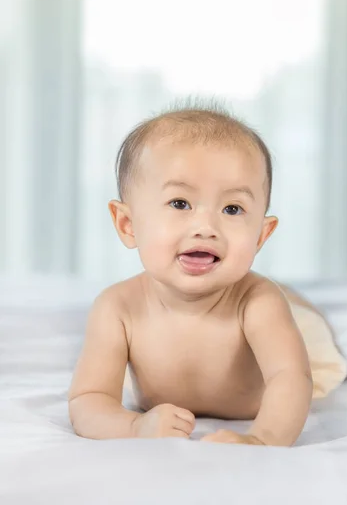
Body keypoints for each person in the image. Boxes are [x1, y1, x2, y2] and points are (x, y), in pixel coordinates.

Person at [68, 100, 314, 446]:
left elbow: (292, 378)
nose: (206, 227)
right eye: (180, 203)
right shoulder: (118, 307)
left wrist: (263, 439)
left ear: (261, 235)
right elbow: (88, 400)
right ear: (128, 225)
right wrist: (134, 427)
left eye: (232, 208)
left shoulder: (257, 302)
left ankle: (306, 311)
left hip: (276, 330)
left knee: (313, 348)